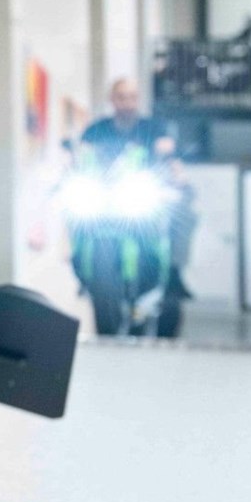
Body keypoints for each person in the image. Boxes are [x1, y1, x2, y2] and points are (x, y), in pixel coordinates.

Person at [76, 77, 194, 338]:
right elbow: (78, 158)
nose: (127, 103)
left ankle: (174, 273)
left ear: (138, 100)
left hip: (141, 202)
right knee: (75, 222)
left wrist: (178, 177)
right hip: (104, 207)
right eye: (121, 97)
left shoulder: (153, 128)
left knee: (181, 217)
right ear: (112, 100)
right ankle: (81, 270)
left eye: (131, 97)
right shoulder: (96, 130)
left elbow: (170, 157)